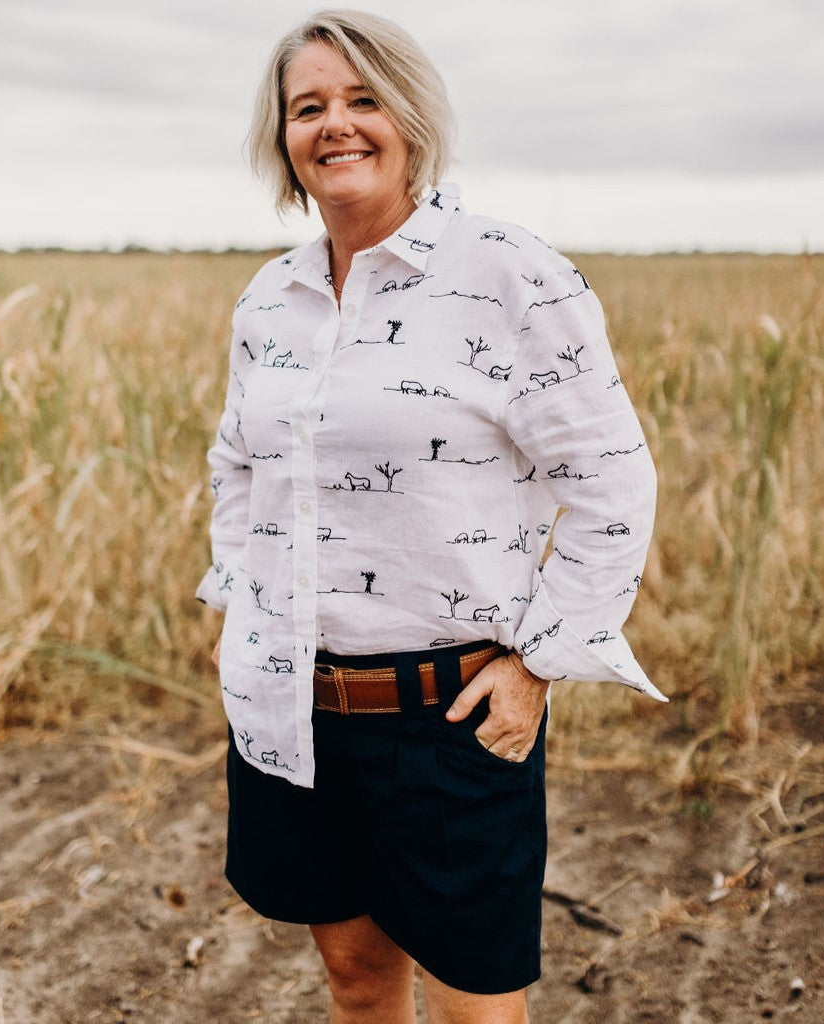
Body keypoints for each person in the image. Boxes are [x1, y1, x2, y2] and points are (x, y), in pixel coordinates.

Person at [196, 10, 666, 1023]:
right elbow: (236, 463)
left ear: (410, 114)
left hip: (452, 719)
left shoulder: (507, 272)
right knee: (356, 978)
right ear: (281, 139)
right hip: (296, 712)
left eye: (362, 99)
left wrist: (538, 661)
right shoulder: (269, 300)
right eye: (307, 107)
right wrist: (241, 603)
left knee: (474, 1002)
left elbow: (613, 478)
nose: (336, 125)